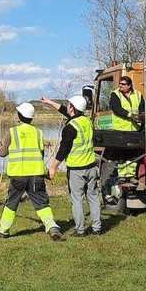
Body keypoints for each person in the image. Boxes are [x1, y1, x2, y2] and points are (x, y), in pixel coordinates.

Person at [0, 102, 63, 241]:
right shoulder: (39, 132)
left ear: (19, 116)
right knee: (41, 203)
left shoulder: (12, 132)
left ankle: (3, 230)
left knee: (12, 202)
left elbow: (3, 152)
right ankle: (52, 226)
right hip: (36, 174)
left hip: (18, 175)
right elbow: (40, 154)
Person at [42, 95, 102, 236]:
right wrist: (49, 101)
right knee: (93, 197)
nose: (67, 107)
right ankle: (97, 228)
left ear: (73, 108)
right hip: (92, 167)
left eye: (69, 105)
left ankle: (80, 230)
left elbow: (63, 151)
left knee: (77, 200)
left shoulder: (70, 128)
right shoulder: (86, 121)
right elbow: (65, 111)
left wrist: (53, 167)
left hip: (77, 170)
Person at [110, 75, 146, 181]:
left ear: (129, 86)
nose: (120, 86)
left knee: (133, 153)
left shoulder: (138, 95)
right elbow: (116, 108)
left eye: (123, 84)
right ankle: (121, 175)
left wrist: (141, 117)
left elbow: (142, 108)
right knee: (121, 154)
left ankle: (130, 175)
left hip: (134, 129)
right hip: (121, 128)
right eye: (120, 84)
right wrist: (129, 115)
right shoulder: (115, 94)